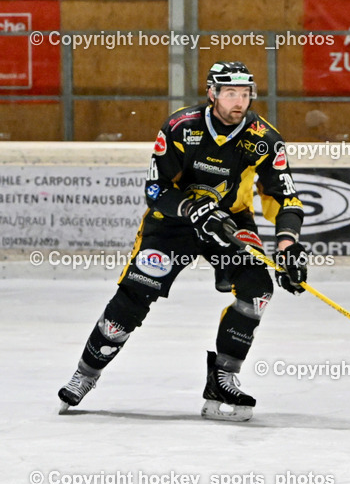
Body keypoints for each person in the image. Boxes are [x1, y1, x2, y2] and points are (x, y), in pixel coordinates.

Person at [57, 61, 309, 422]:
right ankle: (86, 373)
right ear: (212, 93)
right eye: (230, 93)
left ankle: (223, 378)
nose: (239, 101)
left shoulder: (265, 139)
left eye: (245, 94)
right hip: (172, 223)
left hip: (229, 223)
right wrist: (191, 208)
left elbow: (284, 197)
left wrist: (288, 245)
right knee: (135, 294)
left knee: (257, 289)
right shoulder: (181, 127)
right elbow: (156, 189)